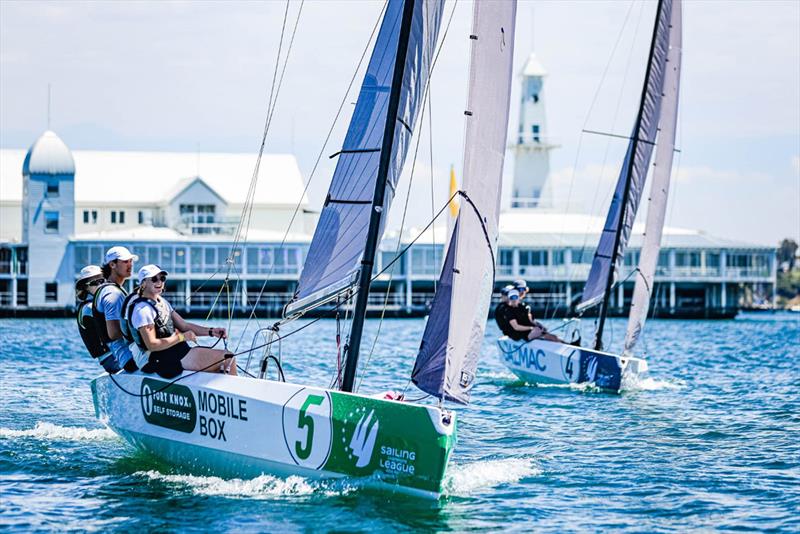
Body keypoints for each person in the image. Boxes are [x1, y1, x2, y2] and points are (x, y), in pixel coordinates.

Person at [129, 264, 236, 378]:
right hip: (159, 360)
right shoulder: (143, 310)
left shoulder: (162, 302)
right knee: (228, 358)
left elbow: (184, 325)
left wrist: (211, 331)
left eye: (162, 278)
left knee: (221, 364)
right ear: (143, 283)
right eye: (154, 279)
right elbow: (152, 345)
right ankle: (237, 393)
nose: (159, 282)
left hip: (175, 352)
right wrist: (181, 337)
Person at [93, 246, 139, 371]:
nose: (130, 265)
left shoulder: (111, 288)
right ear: (112, 264)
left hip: (124, 355)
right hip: (125, 359)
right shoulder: (113, 294)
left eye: (131, 261)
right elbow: (114, 334)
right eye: (125, 262)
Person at [75, 265, 119, 373]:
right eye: (95, 283)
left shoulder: (98, 304)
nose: (100, 285)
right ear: (85, 287)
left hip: (115, 354)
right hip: (111, 358)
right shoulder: (89, 308)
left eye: (102, 281)